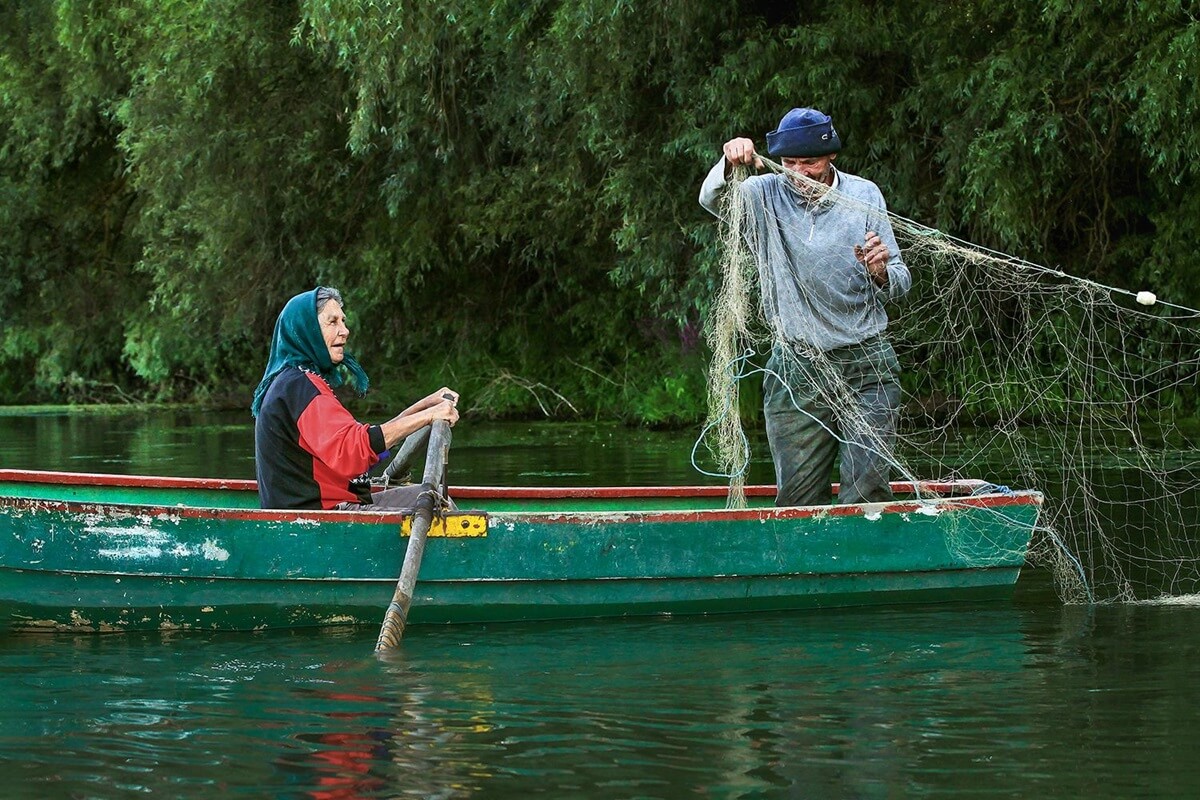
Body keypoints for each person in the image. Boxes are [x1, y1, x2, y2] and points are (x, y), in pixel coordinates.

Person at [699, 107, 911, 507]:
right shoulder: (761, 194)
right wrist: (728, 163)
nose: (800, 173)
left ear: (830, 157)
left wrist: (881, 271)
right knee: (797, 498)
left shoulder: (864, 194)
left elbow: (901, 282)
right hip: (795, 368)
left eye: (810, 163)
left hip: (868, 365)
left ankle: (862, 564)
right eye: (790, 162)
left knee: (867, 489)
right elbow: (711, 199)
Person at [251, 286, 460, 510]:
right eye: (333, 322)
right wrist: (428, 416)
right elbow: (353, 451)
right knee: (438, 504)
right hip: (321, 518)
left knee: (437, 496)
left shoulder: (292, 381)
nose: (345, 330)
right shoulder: (300, 386)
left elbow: (365, 443)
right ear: (307, 330)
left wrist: (425, 407)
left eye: (343, 321)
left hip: (320, 511)